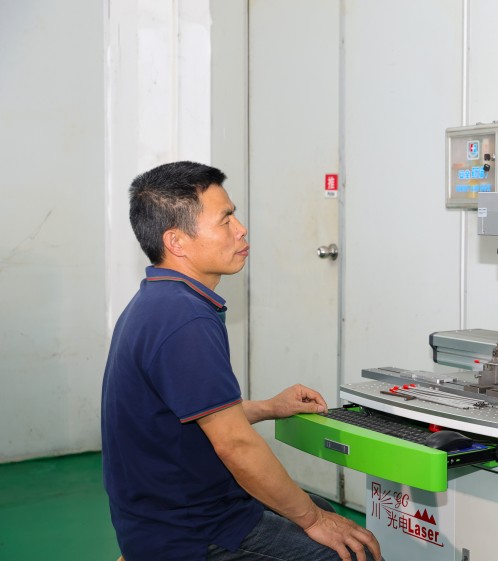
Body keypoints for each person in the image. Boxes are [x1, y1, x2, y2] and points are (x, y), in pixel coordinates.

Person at [101, 161, 381, 561]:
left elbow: (191, 416)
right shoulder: (184, 319)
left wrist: (270, 407)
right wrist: (313, 521)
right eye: (225, 219)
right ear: (176, 241)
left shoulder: (156, 301)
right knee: (350, 550)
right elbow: (234, 444)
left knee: (324, 508)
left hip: (169, 512)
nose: (241, 229)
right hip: (190, 531)